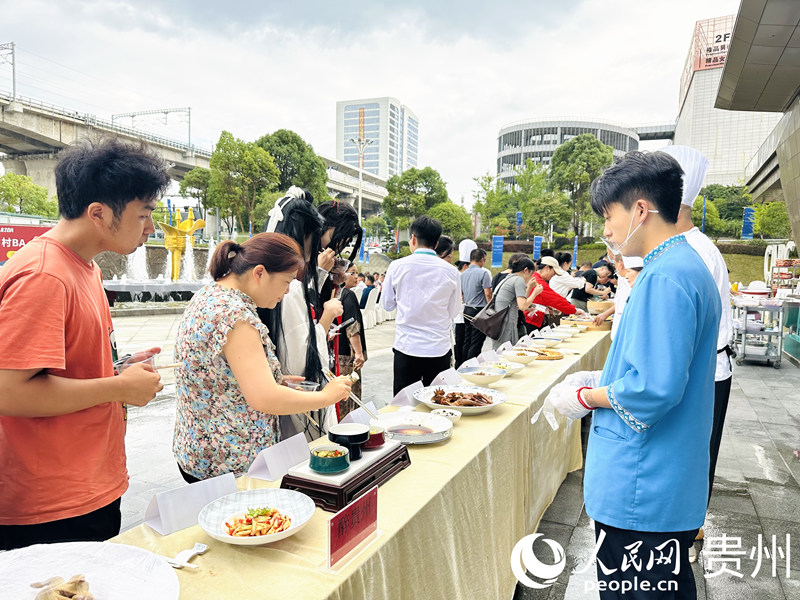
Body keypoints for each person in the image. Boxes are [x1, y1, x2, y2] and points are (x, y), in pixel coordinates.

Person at [547, 151, 720, 598]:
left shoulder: (665, 276)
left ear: (640, 210)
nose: (606, 229)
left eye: (609, 215)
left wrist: (588, 398)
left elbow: (654, 386)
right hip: (662, 478)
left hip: (643, 482)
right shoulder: (677, 266)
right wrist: (597, 379)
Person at [0, 138, 168, 550]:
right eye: (143, 214)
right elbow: (9, 390)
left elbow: (59, 368)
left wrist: (118, 367)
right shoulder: (45, 276)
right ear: (98, 214)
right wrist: (119, 387)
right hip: (50, 507)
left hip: (87, 483)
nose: (151, 227)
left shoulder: (85, 268)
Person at [173, 235, 353, 482]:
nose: (287, 290)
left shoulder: (210, 296)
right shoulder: (235, 316)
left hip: (201, 450)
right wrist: (325, 397)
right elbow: (264, 398)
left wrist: (271, 375)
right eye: (286, 281)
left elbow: (220, 374)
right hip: (229, 461)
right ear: (259, 273)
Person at [662, 144, 734, 551]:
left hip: (704, 370)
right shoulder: (677, 247)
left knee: (695, 454)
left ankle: (688, 533)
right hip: (691, 368)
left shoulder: (697, 251)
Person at [258, 188, 344, 440]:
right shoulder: (289, 289)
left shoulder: (249, 288)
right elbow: (299, 359)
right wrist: (326, 317)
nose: (309, 258)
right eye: (312, 248)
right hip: (290, 411)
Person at [381, 216, 462, 395]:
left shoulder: (397, 266)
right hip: (439, 349)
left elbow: (386, 304)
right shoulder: (451, 272)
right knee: (437, 401)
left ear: (413, 239)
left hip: (407, 348)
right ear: (436, 242)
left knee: (404, 405)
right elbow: (454, 311)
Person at [331, 263, 367, 419]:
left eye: (357, 273)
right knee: (350, 396)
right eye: (352, 273)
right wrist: (358, 353)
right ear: (341, 274)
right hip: (348, 354)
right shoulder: (348, 295)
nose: (356, 277)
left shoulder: (332, 294)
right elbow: (352, 326)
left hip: (334, 352)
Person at [490, 257, 543, 349]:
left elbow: (519, 303)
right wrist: (535, 293)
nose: (531, 278)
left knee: (499, 351)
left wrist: (529, 287)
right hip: (507, 323)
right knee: (505, 353)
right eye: (531, 274)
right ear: (526, 270)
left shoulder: (509, 278)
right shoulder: (519, 280)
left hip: (499, 322)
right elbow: (522, 306)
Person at [524, 256, 583, 331]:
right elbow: (555, 299)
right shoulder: (538, 281)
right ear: (547, 268)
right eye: (554, 272)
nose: (554, 275)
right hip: (531, 320)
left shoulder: (536, 279)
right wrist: (574, 310)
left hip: (532, 318)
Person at [461, 248, 493, 363]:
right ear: (481, 259)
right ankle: (472, 366)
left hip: (467, 309)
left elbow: (462, 295)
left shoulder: (463, 274)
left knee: (467, 340)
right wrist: (491, 308)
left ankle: (464, 364)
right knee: (476, 342)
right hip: (479, 311)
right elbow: (488, 293)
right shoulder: (483, 273)